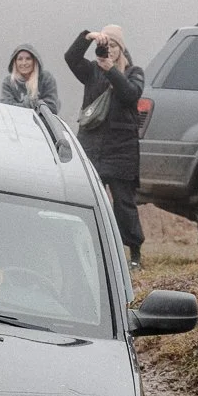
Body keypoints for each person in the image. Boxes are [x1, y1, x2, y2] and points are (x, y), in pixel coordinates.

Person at [65, 23, 145, 268]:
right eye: (105, 45)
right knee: (91, 201)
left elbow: (131, 94)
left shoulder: (134, 71)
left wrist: (111, 70)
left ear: (121, 48)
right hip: (92, 146)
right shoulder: (91, 71)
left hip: (122, 149)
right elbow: (70, 58)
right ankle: (93, 251)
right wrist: (87, 37)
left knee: (124, 203)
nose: (108, 49)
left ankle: (134, 254)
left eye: (112, 45)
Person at [0, 47, 59, 114]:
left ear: (34, 61)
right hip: (16, 122)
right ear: (15, 62)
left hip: (42, 123)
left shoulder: (46, 78)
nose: (24, 63)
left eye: (28, 59)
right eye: (20, 59)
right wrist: (31, 104)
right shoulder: (8, 82)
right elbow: (6, 108)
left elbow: (52, 108)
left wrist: (29, 104)